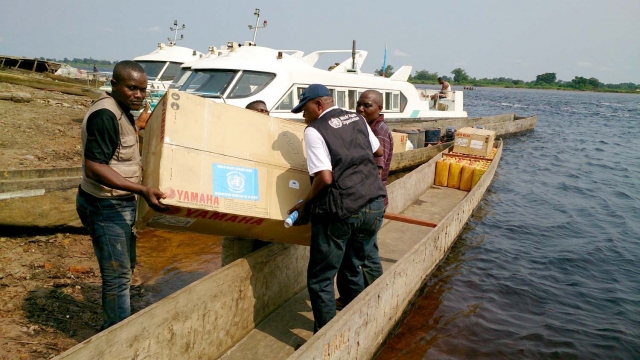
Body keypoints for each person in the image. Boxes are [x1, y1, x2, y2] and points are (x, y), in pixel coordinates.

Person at [76, 60, 169, 330]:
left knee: (125, 269)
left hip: (116, 203)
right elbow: (94, 167)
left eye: (142, 89)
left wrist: (139, 126)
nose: (138, 95)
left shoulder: (121, 110)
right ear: (114, 84)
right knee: (117, 278)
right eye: (132, 88)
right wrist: (142, 190)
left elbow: (118, 145)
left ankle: (117, 326)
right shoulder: (106, 116)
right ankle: (118, 338)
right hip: (105, 205)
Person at [287, 84, 386, 332]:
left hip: (341, 210)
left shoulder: (314, 130)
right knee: (354, 263)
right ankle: (358, 321)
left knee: (321, 277)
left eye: (305, 109)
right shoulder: (357, 118)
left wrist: (305, 203)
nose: (303, 115)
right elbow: (379, 150)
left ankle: (326, 335)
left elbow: (325, 178)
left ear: (319, 105)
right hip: (373, 202)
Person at [220, 100, 270, 266]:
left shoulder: (272, 140)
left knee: (264, 261)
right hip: (240, 213)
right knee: (235, 261)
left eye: (266, 111)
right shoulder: (234, 139)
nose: (264, 114)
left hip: (265, 213)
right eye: (259, 111)